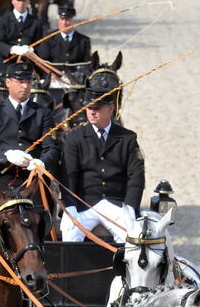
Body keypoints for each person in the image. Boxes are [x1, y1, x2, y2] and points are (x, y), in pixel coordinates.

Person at [60, 83, 145, 243]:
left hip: (117, 203)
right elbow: (69, 175)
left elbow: (136, 176)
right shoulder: (74, 138)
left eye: (97, 108)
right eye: (88, 107)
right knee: (69, 235)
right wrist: (69, 207)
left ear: (110, 108)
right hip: (84, 203)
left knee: (131, 240)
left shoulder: (128, 138)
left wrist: (130, 207)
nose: (91, 112)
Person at [0, 61, 60, 190]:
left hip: (34, 178)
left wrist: (42, 162)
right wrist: (6, 156)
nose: (25, 86)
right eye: (20, 81)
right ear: (8, 82)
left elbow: (52, 148)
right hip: (2, 177)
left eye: (29, 81)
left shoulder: (43, 113)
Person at [0, 0, 44, 73]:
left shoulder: (36, 22)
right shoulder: (3, 20)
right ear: (12, 0)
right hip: (7, 61)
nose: (21, 3)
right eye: (18, 0)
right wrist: (12, 49)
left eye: (24, 0)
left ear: (28, 1)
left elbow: (41, 44)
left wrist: (32, 50)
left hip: (30, 62)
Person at [37, 5, 91, 69]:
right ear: (58, 21)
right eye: (62, 19)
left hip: (76, 77)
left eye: (67, 20)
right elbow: (43, 62)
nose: (64, 23)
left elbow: (87, 64)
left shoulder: (84, 41)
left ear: (74, 22)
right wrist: (51, 76)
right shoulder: (48, 38)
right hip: (54, 76)